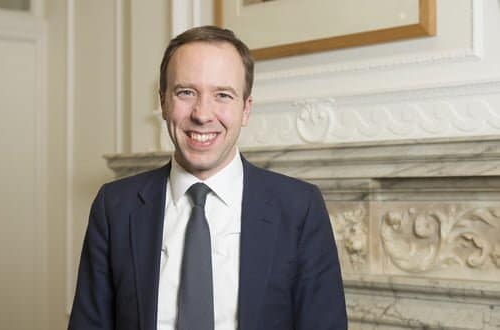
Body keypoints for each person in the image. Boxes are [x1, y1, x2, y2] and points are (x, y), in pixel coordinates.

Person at [68, 25, 347, 330]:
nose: (202, 113)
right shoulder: (115, 207)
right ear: (163, 101)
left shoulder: (299, 208)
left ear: (246, 109)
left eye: (223, 95)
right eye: (186, 92)